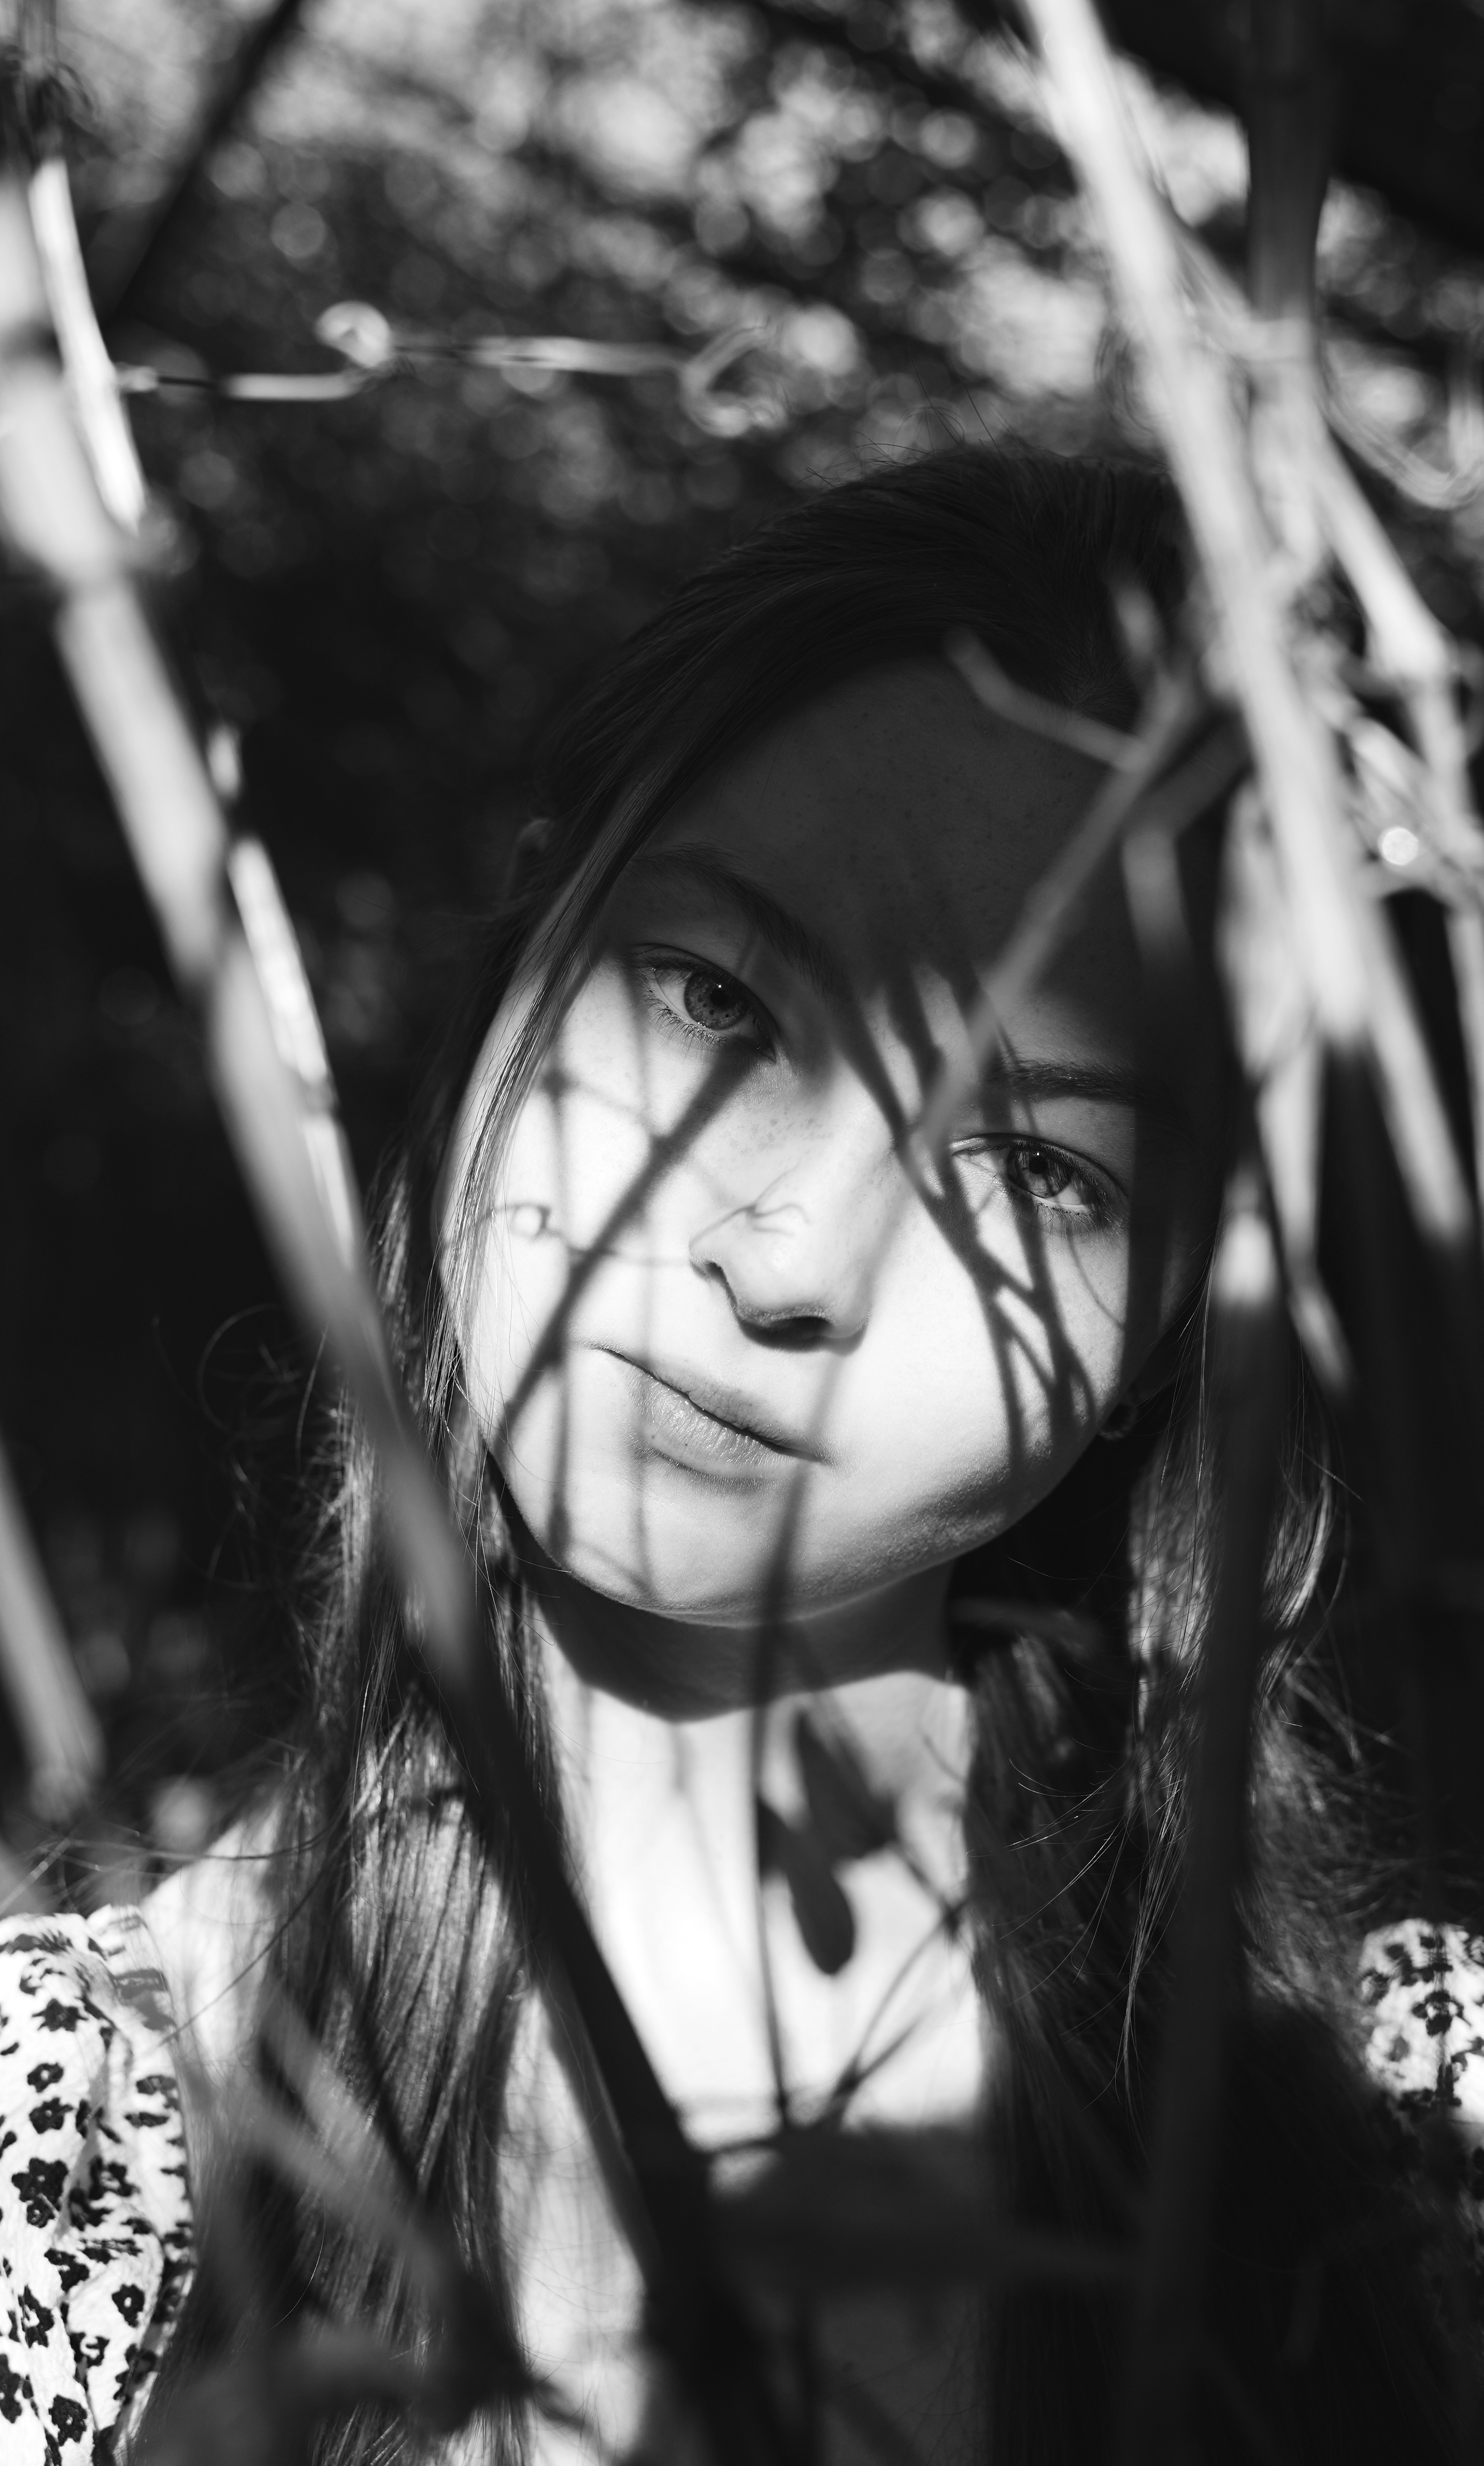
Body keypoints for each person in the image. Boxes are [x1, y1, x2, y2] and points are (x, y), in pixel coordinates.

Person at [0, 447, 1477, 2466]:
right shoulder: (58, 2144)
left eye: (1040, 1169)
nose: (792, 1255)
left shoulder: (1422, 2157)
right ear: (519, 962)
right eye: (712, 997)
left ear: (1172, 1340)